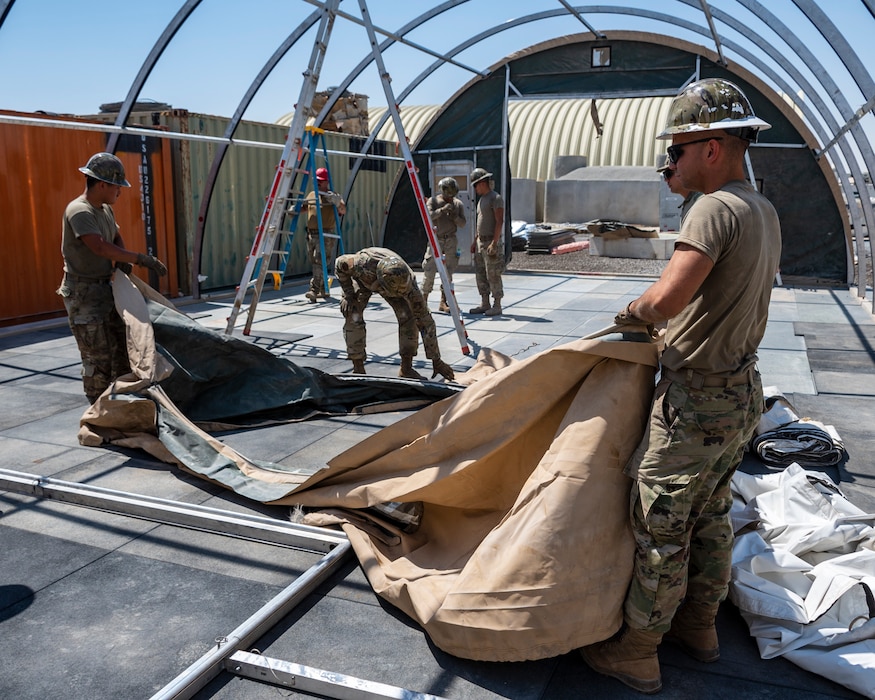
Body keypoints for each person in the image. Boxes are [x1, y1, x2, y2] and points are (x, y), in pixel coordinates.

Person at [580, 78, 781, 694]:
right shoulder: (762, 208)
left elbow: (667, 299)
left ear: (714, 148)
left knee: (660, 524)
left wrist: (630, 313)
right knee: (711, 514)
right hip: (742, 393)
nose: (672, 160)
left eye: (680, 148)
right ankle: (700, 630)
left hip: (696, 401)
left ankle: (638, 651)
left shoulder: (715, 208)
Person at [57, 152, 168, 404]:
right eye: (117, 186)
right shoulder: (79, 211)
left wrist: (122, 260)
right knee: (97, 357)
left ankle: (119, 407)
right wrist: (140, 258)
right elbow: (99, 247)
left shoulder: (104, 209)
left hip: (105, 289)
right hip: (84, 294)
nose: (120, 191)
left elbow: (114, 238)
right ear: (102, 184)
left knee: (120, 350)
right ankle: (97, 412)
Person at [334, 247, 455, 381]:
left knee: (409, 318)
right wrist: (348, 294)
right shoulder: (360, 265)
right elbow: (339, 263)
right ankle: (358, 369)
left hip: (392, 286)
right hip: (364, 281)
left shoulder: (410, 287)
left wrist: (436, 360)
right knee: (352, 314)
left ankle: (406, 369)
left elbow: (426, 322)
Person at [422, 177, 466, 313]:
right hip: (436, 239)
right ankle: (422, 302)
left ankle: (444, 301)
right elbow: (428, 216)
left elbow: (463, 223)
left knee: (448, 273)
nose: (449, 197)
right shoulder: (433, 201)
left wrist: (454, 216)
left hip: (451, 241)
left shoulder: (458, 204)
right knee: (429, 271)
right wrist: (441, 210)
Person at [304, 166, 346, 303]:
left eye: (320, 181)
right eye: (316, 181)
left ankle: (314, 289)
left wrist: (338, 202)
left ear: (326, 182)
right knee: (315, 261)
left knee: (319, 260)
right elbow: (304, 207)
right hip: (311, 234)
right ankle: (323, 289)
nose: (317, 183)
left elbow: (343, 210)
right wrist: (293, 209)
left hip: (325, 234)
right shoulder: (311, 195)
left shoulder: (332, 196)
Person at [468, 167, 505, 316]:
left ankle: (497, 304)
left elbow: (499, 221)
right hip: (481, 244)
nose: (475, 189)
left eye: (475, 185)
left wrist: (494, 243)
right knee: (481, 274)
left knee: (493, 274)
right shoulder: (482, 200)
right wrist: (474, 241)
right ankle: (485, 302)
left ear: (482, 183)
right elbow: (480, 222)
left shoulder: (495, 198)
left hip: (490, 243)